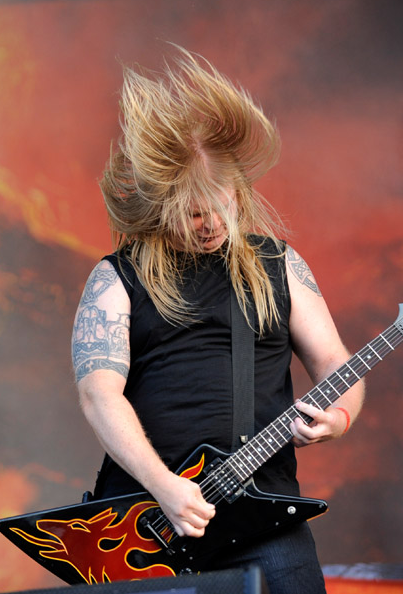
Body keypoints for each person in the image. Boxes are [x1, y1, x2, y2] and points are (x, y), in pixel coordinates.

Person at [70, 46, 364, 594]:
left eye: (219, 206)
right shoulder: (116, 278)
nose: (208, 225)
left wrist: (339, 418)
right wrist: (163, 486)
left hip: (263, 513)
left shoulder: (279, 264)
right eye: (192, 213)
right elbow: (98, 396)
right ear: (162, 206)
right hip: (145, 521)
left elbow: (335, 362)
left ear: (240, 192)